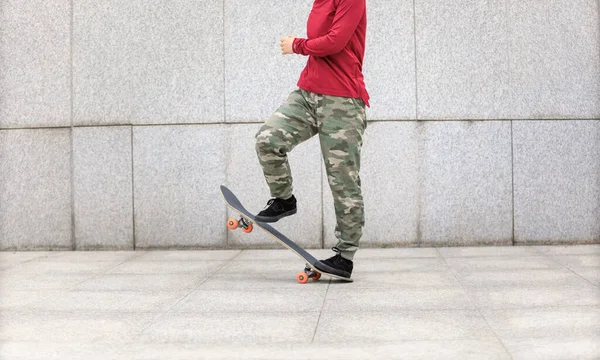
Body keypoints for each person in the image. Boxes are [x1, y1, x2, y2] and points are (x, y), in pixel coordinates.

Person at [254, 0, 369, 279]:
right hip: (307, 93)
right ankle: (284, 199)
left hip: (342, 100)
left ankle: (345, 255)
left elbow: (335, 42)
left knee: (343, 180)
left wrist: (297, 45)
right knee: (268, 139)